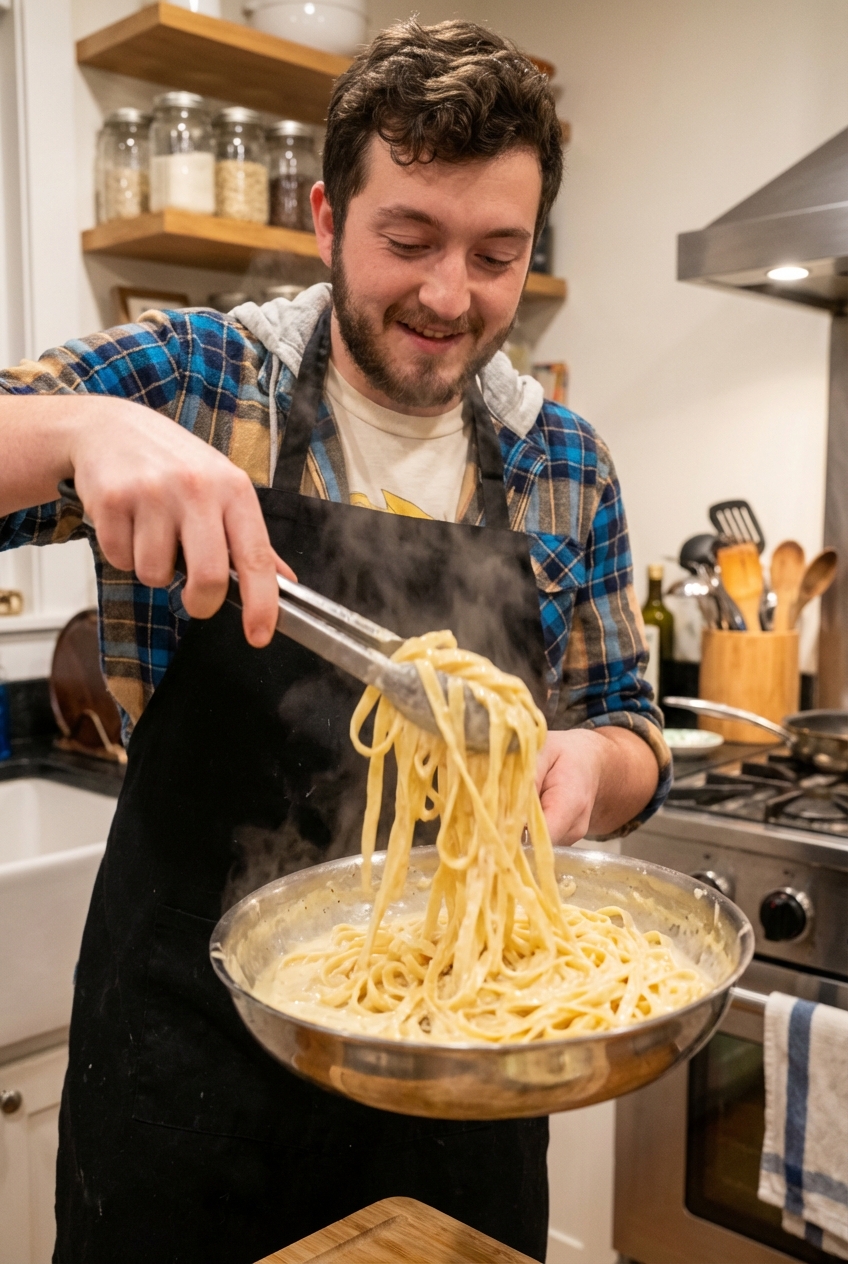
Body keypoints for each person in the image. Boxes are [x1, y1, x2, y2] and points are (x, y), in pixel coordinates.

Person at [0, 20, 670, 1264]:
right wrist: (80, 431)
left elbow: (626, 715)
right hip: (189, 1058)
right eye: (406, 239)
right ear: (324, 217)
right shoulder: (197, 380)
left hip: (465, 1072)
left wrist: (588, 771)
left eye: (495, 254)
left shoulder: (562, 461)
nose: (445, 295)